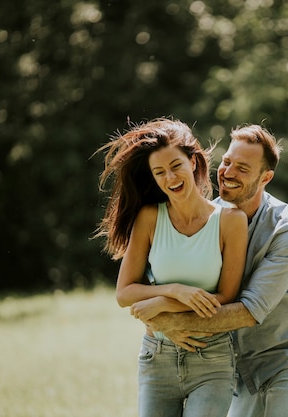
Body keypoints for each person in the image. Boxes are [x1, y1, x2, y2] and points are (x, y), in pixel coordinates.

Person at [137, 124, 288, 417]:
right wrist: (160, 305)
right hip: (233, 363)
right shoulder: (208, 216)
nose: (228, 172)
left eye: (243, 168)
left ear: (266, 178)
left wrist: (171, 321)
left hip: (286, 356)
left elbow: (247, 312)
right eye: (227, 162)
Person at [95, 118, 248, 417]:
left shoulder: (231, 220)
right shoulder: (150, 218)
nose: (170, 177)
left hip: (211, 358)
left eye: (176, 166)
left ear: (192, 162)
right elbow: (125, 293)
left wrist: (162, 304)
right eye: (159, 172)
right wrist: (176, 291)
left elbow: (228, 296)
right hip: (158, 358)